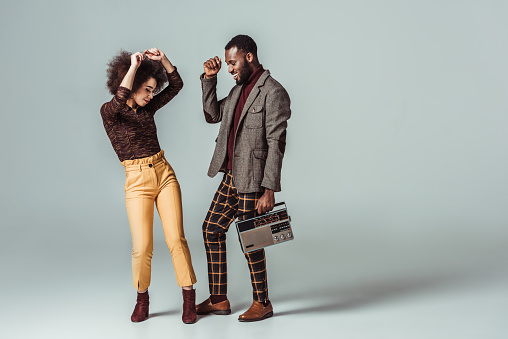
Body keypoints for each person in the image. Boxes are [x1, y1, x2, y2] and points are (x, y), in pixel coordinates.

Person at [196, 35, 291, 322]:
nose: (229, 69)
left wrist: (269, 189)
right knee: (211, 229)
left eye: (232, 62)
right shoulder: (238, 90)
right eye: (226, 64)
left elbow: (276, 143)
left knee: (252, 239)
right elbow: (212, 115)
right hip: (229, 176)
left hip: (253, 180)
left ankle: (262, 303)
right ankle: (219, 298)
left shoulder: (273, 92)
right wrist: (209, 80)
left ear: (249, 57)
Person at [100, 48, 197, 324]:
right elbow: (120, 99)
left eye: (153, 91)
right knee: (142, 246)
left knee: (176, 238)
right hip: (137, 181)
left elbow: (176, 85)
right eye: (147, 89)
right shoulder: (110, 113)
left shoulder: (149, 107)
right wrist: (134, 66)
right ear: (131, 85)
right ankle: (142, 298)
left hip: (163, 173)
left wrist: (162, 59)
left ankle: (188, 299)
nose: (151, 96)